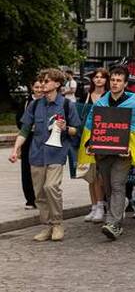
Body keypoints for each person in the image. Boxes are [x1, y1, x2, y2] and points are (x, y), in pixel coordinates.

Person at [9, 69, 82, 242]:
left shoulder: (66, 105)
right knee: (40, 193)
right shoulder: (35, 105)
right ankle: (47, 226)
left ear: (57, 84)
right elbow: (25, 130)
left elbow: (76, 130)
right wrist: (15, 149)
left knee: (51, 187)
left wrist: (66, 128)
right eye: (41, 81)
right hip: (36, 154)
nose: (43, 84)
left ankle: (57, 224)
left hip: (56, 153)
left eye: (46, 81)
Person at [79, 65, 135, 240]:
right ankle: (116, 214)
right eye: (113, 80)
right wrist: (89, 143)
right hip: (103, 153)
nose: (115, 83)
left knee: (118, 184)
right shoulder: (101, 103)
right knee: (108, 186)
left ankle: (113, 223)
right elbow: (92, 126)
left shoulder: (133, 103)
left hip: (123, 154)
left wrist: (130, 147)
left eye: (119, 80)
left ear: (125, 83)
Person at [79, 68, 109, 222]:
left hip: (104, 136)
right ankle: (93, 206)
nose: (98, 80)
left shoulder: (108, 96)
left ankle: (101, 205)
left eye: (102, 77)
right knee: (90, 174)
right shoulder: (86, 96)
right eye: (96, 77)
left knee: (101, 175)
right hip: (88, 135)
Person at [16, 79, 43, 210]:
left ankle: (41, 197)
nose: (38, 90)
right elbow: (19, 121)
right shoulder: (26, 102)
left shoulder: (47, 102)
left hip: (41, 138)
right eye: (36, 87)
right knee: (26, 168)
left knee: (40, 168)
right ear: (32, 87)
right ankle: (30, 199)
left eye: (40, 87)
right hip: (28, 137)